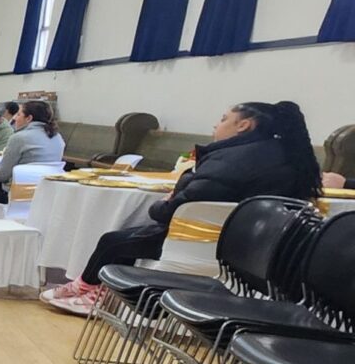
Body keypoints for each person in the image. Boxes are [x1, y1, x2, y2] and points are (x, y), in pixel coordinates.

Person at [41, 101, 324, 315]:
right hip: (255, 245)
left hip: (210, 242)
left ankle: (92, 292)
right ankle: (88, 287)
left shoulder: (235, 158)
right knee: (124, 239)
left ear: (244, 125)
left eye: (224, 119)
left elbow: (191, 201)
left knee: (115, 239)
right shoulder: (285, 156)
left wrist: (161, 207)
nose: (217, 125)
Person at [0, 99, 64, 203]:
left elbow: (3, 175)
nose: (14, 118)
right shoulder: (58, 137)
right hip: (46, 191)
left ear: (29, 118)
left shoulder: (18, 138)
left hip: (16, 192)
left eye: (18, 115)